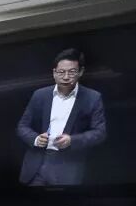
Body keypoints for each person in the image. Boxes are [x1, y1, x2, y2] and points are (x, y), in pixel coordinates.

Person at [17, 48, 107, 186]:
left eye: (71, 72)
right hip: (38, 164)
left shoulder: (92, 98)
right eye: (61, 72)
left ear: (80, 72)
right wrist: (35, 139)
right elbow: (22, 126)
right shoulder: (40, 95)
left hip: (69, 166)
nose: (66, 77)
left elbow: (100, 133)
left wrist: (72, 140)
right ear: (54, 73)